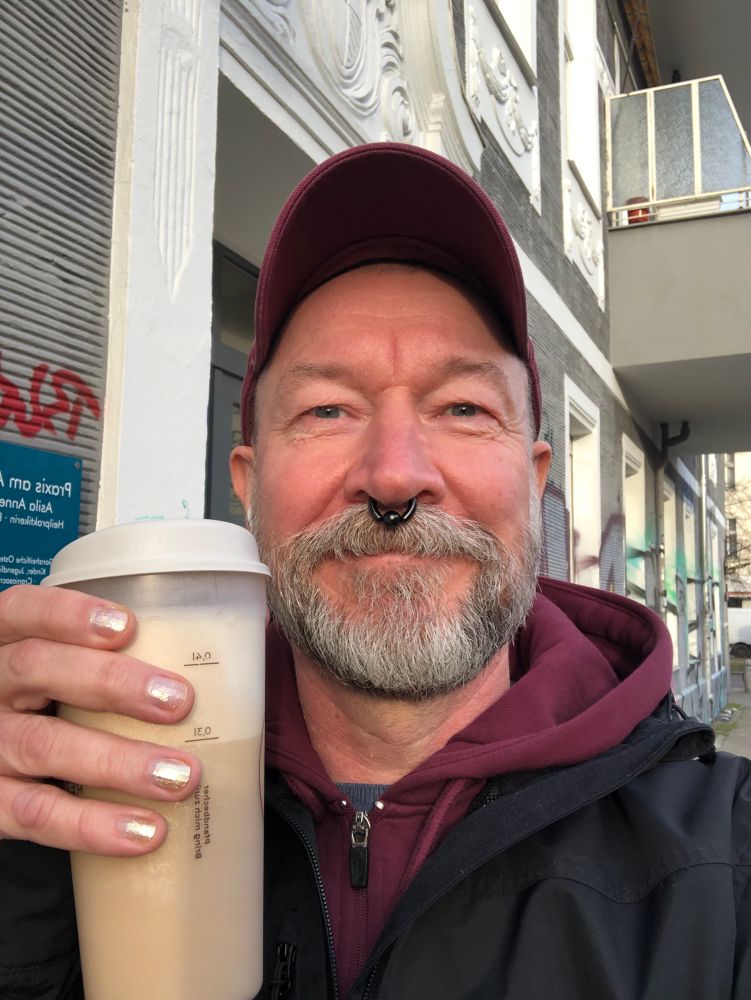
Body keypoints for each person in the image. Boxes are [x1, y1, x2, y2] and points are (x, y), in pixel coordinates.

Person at [0, 143, 748, 999]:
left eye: (462, 408)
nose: (394, 474)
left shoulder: (724, 867)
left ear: (534, 477)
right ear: (249, 487)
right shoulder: (90, 794)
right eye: (327, 410)